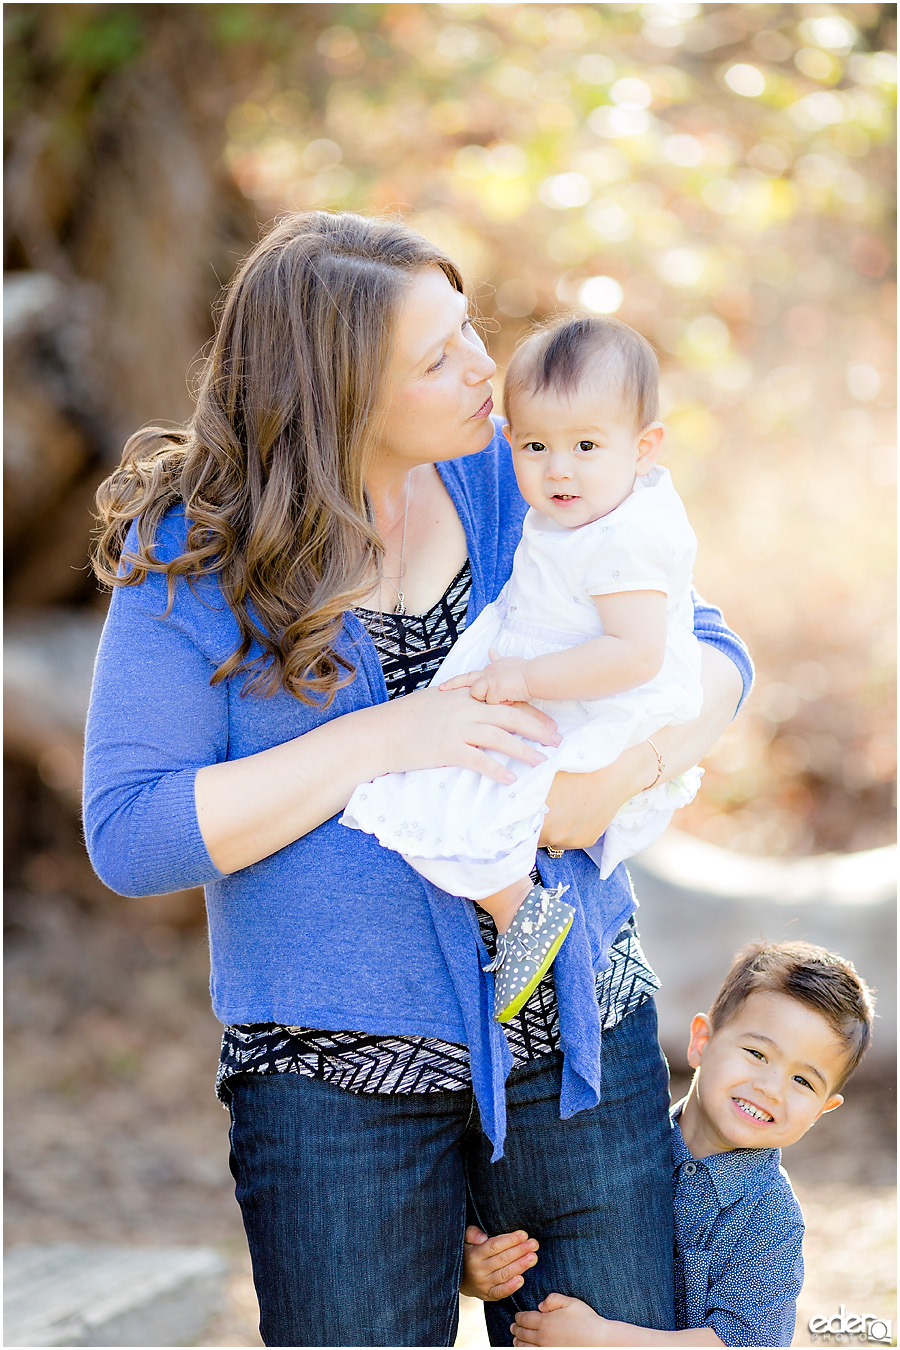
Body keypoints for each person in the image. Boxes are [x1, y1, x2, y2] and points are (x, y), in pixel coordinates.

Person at [83, 210, 752, 1348]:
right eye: (437, 357)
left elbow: (715, 661)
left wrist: (621, 778)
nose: (488, 369)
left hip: (576, 1051)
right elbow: (134, 834)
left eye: (469, 329)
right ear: (336, 389)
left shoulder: (524, 475)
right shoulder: (193, 555)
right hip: (334, 1091)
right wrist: (385, 738)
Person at [343, 316, 704, 1022]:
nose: (558, 469)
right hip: (555, 671)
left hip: (592, 694)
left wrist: (524, 679)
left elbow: (637, 654)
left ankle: (522, 912)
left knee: (456, 803)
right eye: (535, 445)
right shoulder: (594, 504)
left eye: (585, 447)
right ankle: (519, 908)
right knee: (438, 792)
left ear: (645, 448)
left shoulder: (623, 538)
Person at [463, 941, 874, 1349]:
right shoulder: (622, 1141)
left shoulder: (770, 1217)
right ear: (701, 1042)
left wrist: (604, 1339)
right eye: (757, 1053)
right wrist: (474, 1275)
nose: (771, 1089)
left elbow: (742, 1342)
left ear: (823, 1109)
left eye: (803, 1081)